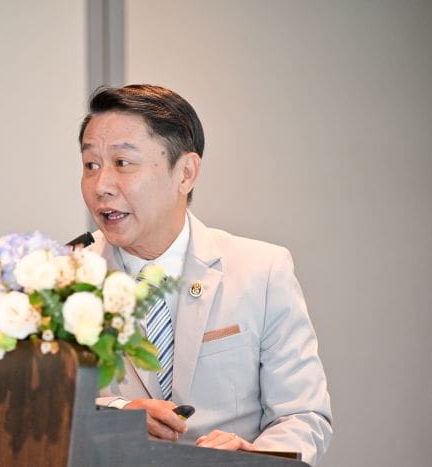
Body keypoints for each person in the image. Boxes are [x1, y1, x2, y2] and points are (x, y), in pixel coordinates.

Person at [79, 84, 333, 465]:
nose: (101, 186)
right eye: (91, 165)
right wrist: (116, 415)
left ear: (186, 173)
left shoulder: (262, 271)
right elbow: (41, 413)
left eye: (122, 163)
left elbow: (303, 415)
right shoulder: (62, 281)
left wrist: (253, 457)